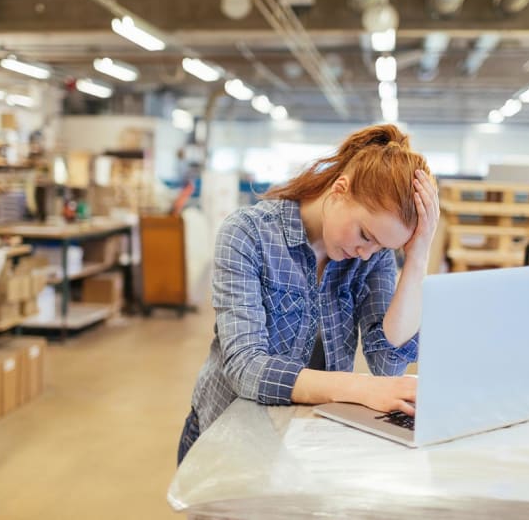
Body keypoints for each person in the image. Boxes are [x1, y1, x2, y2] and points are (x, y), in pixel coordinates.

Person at [177, 124, 440, 464]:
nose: (365, 253)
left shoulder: (372, 256)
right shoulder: (248, 234)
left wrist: (417, 258)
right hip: (228, 439)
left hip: (308, 440)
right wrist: (359, 388)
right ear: (340, 189)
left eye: (381, 246)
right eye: (364, 234)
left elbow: (388, 365)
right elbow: (246, 369)